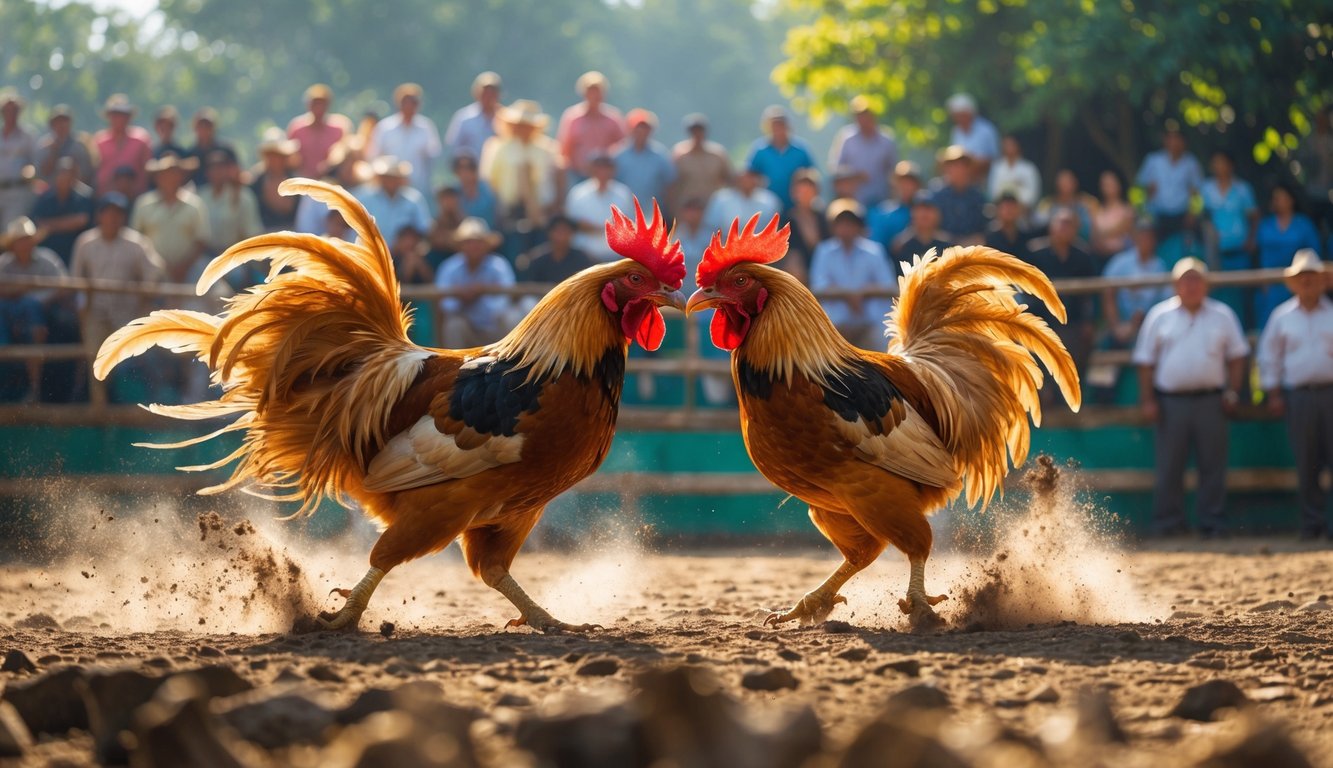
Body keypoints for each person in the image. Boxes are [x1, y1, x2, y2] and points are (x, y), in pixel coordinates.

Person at [1134, 257, 1249, 537]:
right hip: (1171, 402)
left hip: (1212, 400)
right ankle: (1168, 523)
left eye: (1197, 279)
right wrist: (1148, 400)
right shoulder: (1159, 316)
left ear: (1206, 284)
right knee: (1169, 466)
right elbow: (1145, 362)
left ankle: (1212, 522)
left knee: (1213, 466)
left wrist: (1233, 391)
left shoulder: (1223, 315)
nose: (1192, 285)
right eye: (1186, 279)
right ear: (1175, 285)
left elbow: (1237, 357)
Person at [1257, 250, 1333, 539]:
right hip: (1298, 395)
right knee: (1307, 461)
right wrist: (1274, 393)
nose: (1308, 281)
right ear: (1295, 282)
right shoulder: (1282, 317)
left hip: (1329, 393)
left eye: (1312, 276)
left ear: (1321, 280)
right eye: (1303, 276)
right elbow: (1269, 357)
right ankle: (1312, 524)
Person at [70, 193, 166, 404]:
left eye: (118, 214)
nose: (113, 218)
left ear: (123, 217)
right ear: (100, 216)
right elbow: (77, 279)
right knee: (96, 359)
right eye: (108, 213)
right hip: (96, 311)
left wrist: (146, 294)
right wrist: (82, 308)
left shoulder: (136, 243)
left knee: (130, 360)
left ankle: (131, 408)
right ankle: (100, 409)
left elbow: (155, 270)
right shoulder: (85, 242)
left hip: (128, 312)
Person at [1025, 208, 1099, 402]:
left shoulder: (1083, 256)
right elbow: (1026, 292)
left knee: (1082, 342)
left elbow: (1091, 294)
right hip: (1042, 319)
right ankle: (1043, 391)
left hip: (1072, 321)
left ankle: (1071, 393)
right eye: (1061, 223)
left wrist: (1088, 321)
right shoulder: (1035, 253)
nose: (1064, 228)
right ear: (1051, 226)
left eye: (1069, 224)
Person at [808, 199, 894, 349]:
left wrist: (863, 292)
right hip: (835, 326)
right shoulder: (824, 251)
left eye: (850, 223)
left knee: (886, 349)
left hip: (871, 324)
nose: (845, 228)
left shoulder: (874, 251)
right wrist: (849, 294)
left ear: (859, 226)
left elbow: (890, 287)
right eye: (841, 223)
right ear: (833, 227)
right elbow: (817, 288)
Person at [480, 100, 563, 254]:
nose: (523, 129)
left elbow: (557, 176)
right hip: (510, 210)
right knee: (514, 249)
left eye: (527, 125)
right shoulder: (499, 147)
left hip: (542, 211)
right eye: (519, 124)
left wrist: (553, 205)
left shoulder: (547, 148)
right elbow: (490, 180)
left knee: (539, 250)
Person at [0, 216, 68, 401]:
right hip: (9, 315)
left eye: (27, 239)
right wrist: (18, 293)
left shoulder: (47, 259)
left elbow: (64, 286)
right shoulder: (4, 263)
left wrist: (36, 299)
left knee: (32, 309)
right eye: (20, 240)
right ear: (13, 244)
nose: (24, 244)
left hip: (46, 314)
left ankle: (35, 388)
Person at [435, 217, 517, 347]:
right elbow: (445, 304)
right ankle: (454, 366)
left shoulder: (499, 266)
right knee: (453, 325)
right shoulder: (449, 267)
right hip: (468, 330)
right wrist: (461, 300)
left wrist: (482, 293)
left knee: (511, 318)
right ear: (460, 246)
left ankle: (512, 365)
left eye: (478, 242)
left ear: (486, 245)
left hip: (496, 331)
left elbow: (506, 300)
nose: (473, 246)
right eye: (468, 242)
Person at [131, 152, 210, 285]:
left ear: (182, 177)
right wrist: (157, 263)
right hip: (151, 270)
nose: (170, 178)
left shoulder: (195, 205)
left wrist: (183, 267)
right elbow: (137, 239)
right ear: (157, 178)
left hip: (189, 271)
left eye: (174, 173)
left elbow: (201, 240)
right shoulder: (143, 204)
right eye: (165, 174)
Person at [1201, 149, 1259, 325]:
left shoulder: (1243, 189)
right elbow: (1201, 216)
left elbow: (1254, 217)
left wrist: (1251, 240)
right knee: (1218, 297)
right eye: (1216, 162)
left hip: (1240, 252)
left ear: (1231, 165)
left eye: (1223, 162)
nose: (1220, 166)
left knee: (1242, 297)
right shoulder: (1206, 189)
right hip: (1216, 254)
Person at [1255, 182, 1322, 327]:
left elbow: (1314, 254)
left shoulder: (1304, 224)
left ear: (1291, 200)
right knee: (1269, 325)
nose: (1278, 202)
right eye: (1275, 198)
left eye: (1281, 197)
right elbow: (1258, 255)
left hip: (1299, 282)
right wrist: (1263, 281)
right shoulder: (1265, 225)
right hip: (1270, 286)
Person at [1102, 219, 1171, 347]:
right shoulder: (1119, 263)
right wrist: (1116, 326)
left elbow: (1165, 298)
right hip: (1120, 324)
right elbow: (1108, 295)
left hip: (1150, 324)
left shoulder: (1160, 266)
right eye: (1141, 236)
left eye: (1148, 237)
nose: (1145, 240)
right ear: (1135, 237)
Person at [198, 150, 262, 285]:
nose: (217, 172)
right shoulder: (200, 197)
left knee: (235, 277)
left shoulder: (243, 197)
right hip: (204, 256)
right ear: (207, 172)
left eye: (221, 168)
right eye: (213, 168)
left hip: (234, 257)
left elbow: (252, 234)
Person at [369, 83, 442, 199]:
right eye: (405, 102)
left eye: (413, 102)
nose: (409, 106)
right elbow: (374, 156)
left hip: (418, 189)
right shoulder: (385, 128)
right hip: (388, 192)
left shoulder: (426, 127)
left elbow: (432, 157)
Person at [513, 215, 595, 312]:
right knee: (526, 305)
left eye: (565, 231)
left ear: (572, 234)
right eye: (558, 231)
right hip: (542, 304)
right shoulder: (538, 258)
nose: (561, 236)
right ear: (550, 233)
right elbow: (530, 287)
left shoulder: (582, 258)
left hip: (572, 304)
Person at [556, 71, 626, 183]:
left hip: (606, 178)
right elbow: (564, 149)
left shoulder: (613, 118)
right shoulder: (572, 117)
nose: (594, 95)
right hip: (577, 175)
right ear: (584, 93)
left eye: (598, 91)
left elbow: (623, 146)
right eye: (591, 91)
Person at [1136, 125, 1203, 240]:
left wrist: (1193, 214)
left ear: (1184, 141)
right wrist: (1142, 210)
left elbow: (1197, 192)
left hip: (1182, 216)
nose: (1174, 142)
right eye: (1170, 138)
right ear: (1165, 140)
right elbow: (1138, 189)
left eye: (1177, 138)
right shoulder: (1153, 160)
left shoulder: (1191, 163)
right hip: (1157, 215)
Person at [827, 96, 897, 208]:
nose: (863, 118)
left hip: (880, 201)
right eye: (859, 115)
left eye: (866, 114)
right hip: (852, 202)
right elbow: (836, 169)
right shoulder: (847, 138)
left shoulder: (886, 140)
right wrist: (854, 176)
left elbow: (893, 171)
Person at [564, 153, 633, 262]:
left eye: (606, 168)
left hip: (616, 257)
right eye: (599, 168)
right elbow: (571, 224)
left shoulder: (623, 193)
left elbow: (630, 225)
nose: (602, 172)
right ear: (591, 170)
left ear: (613, 170)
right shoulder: (577, 193)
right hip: (583, 256)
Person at [745, 105, 815, 211]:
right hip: (767, 209)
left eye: (781, 124)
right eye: (773, 125)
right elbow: (749, 176)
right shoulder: (759, 150)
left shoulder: (800, 150)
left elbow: (812, 176)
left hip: (796, 209)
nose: (777, 129)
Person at [30, 157, 94, 265]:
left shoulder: (84, 197)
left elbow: (81, 220)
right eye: (62, 173)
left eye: (69, 173)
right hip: (49, 252)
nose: (65, 177)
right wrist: (68, 223)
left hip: (74, 252)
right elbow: (39, 223)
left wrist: (51, 226)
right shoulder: (45, 198)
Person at [356, 157, 431, 245]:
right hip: (370, 251)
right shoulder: (365, 198)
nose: (391, 181)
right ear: (380, 178)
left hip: (403, 254)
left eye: (394, 177)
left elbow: (424, 228)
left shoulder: (413, 199)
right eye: (388, 177)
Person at [286, 83, 354, 179]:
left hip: (333, 181)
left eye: (322, 103)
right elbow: (290, 158)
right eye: (315, 103)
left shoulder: (340, 127)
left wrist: (329, 164)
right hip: (302, 180)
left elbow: (346, 152)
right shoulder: (297, 128)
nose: (318, 107)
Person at [614, 109, 675, 211]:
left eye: (645, 128)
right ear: (630, 129)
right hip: (625, 212)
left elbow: (670, 185)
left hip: (653, 213)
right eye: (638, 128)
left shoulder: (660, 155)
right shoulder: (619, 155)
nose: (641, 132)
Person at [92, 94, 152, 198]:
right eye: (115, 114)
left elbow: (147, 169)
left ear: (129, 117)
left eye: (122, 115)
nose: (119, 119)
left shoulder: (141, 139)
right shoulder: (99, 141)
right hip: (106, 198)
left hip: (135, 196)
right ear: (109, 117)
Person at [670, 113, 731, 212]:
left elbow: (730, 180)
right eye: (694, 131)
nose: (697, 134)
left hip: (713, 209)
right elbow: (672, 186)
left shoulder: (717, 154)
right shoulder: (680, 155)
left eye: (700, 130)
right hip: (688, 211)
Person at [931, 146, 987, 246]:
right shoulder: (936, 195)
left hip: (972, 249)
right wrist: (953, 242)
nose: (956, 169)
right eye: (951, 165)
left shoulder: (977, 196)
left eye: (960, 165)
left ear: (968, 168)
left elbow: (983, 228)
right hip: (942, 249)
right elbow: (930, 229)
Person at [444, 72, 502, 164]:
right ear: (476, 92)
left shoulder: (506, 119)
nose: (488, 96)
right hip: (470, 175)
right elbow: (453, 147)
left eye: (492, 92)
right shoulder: (464, 118)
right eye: (485, 92)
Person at [703, 167, 781, 235]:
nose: (747, 180)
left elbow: (775, 229)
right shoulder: (721, 199)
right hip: (727, 246)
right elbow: (711, 227)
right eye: (744, 177)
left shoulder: (770, 200)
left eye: (751, 176)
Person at [33, 104, 95, 186]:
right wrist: (53, 152)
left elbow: (86, 173)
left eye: (64, 121)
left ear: (70, 123)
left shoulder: (79, 145)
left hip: (74, 192)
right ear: (52, 124)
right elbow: (40, 174)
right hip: (50, 191)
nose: (61, 124)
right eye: (57, 121)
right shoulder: (44, 145)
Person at [0, 90, 36, 228]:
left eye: (14, 111)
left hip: (17, 191)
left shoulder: (27, 136)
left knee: (10, 231)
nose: (11, 114)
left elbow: (34, 163)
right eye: (7, 111)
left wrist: (29, 172)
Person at [251, 128, 299, 232]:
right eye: (270, 155)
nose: (273, 160)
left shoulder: (295, 180)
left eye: (277, 155)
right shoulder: (256, 181)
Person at [782, 168, 825, 283]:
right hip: (799, 269)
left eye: (809, 190)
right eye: (801, 190)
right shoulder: (787, 220)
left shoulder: (823, 217)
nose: (805, 194)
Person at [867, 161, 921, 252]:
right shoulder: (883, 213)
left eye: (910, 182)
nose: (906, 186)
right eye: (902, 182)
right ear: (894, 184)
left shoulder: (927, 210)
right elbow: (877, 247)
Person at [890, 191, 952, 270]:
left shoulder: (948, 246)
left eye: (928, 209)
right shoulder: (900, 247)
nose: (924, 214)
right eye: (919, 209)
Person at [945, 93, 1000, 179]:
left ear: (970, 113)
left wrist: (973, 161)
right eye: (956, 116)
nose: (958, 119)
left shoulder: (986, 130)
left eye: (961, 115)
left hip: (984, 178)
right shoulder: (956, 131)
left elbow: (994, 158)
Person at [1034, 169, 1095, 243]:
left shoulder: (1086, 203)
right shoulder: (1047, 203)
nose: (1065, 185)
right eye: (1062, 181)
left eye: (1068, 181)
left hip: (1079, 244)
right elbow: (1038, 225)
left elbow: (1090, 229)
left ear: (1075, 183)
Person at [184, 107, 237, 187]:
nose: (204, 129)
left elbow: (235, 173)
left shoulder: (226, 149)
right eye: (201, 125)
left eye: (207, 125)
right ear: (195, 128)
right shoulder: (191, 153)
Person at [1091, 170, 1135, 260]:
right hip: (1099, 256)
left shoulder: (1127, 210)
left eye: (1111, 184)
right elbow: (1094, 236)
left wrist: (1102, 234)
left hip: (1120, 256)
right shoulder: (1097, 210)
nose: (1108, 188)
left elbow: (1120, 229)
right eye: (1105, 185)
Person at [988, 134, 1040, 210]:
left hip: (1023, 211)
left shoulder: (1029, 168)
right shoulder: (997, 168)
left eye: (1011, 144)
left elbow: (1033, 195)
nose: (1009, 147)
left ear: (1018, 146)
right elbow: (993, 192)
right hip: (1002, 210)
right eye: (1006, 144)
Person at [451, 153, 497, 228]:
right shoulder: (453, 193)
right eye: (461, 169)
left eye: (468, 168)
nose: (465, 173)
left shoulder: (487, 190)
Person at [985, 192, 1029, 261]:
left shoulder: (1025, 237)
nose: (1009, 211)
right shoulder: (990, 238)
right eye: (1005, 207)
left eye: (1012, 207)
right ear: (998, 210)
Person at [427, 186, 466, 259]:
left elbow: (463, 244)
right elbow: (436, 241)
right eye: (445, 199)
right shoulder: (435, 224)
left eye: (451, 198)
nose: (448, 202)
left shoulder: (465, 222)